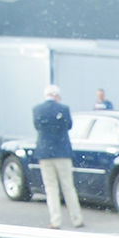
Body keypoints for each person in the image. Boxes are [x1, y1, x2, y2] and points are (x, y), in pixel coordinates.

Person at [33, 84, 84, 229]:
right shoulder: (64, 109)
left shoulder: (37, 110)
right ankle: (77, 218)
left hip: (44, 152)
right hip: (62, 152)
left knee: (51, 188)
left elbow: (37, 126)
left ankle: (55, 221)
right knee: (68, 186)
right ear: (56, 95)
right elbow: (69, 126)